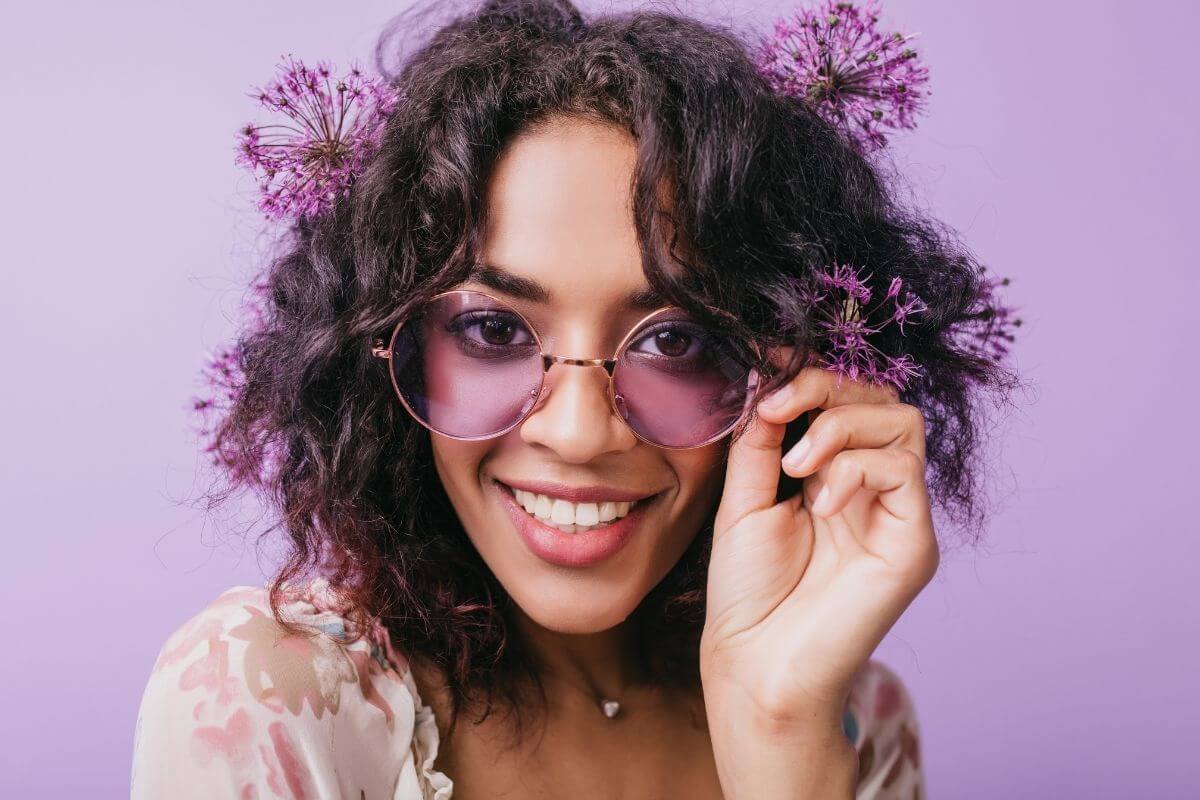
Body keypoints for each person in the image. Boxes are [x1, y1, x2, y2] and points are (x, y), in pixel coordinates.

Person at [131, 1, 1019, 797]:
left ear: (792, 373)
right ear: (383, 352)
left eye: (675, 340)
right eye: (493, 332)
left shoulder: (847, 710)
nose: (579, 433)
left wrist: (782, 735)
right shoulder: (271, 696)